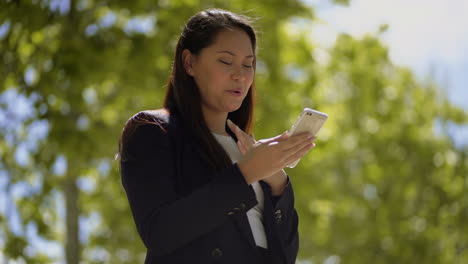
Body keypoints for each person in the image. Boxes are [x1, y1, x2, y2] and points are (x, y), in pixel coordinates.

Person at [118, 8, 316, 264]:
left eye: (249, 64)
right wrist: (245, 173)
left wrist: (277, 183)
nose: (240, 75)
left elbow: (284, 256)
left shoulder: (246, 148)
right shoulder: (153, 129)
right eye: (226, 61)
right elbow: (159, 232)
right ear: (189, 63)